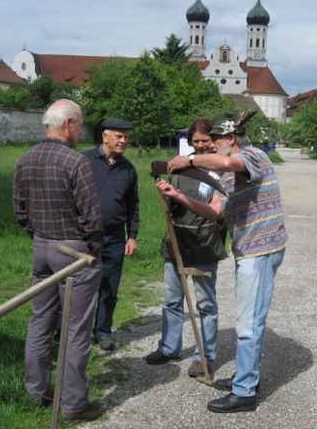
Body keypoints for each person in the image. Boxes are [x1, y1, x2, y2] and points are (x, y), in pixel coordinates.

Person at [166, 111, 288, 413]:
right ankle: (247, 377)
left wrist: (190, 161)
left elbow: (223, 162)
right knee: (251, 320)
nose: (207, 148)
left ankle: (245, 391)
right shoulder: (232, 174)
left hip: (259, 252)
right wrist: (179, 196)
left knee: (248, 323)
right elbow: (215, 211)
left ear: (230, 139)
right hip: (250, 251)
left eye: (214, 142)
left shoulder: (252, 156)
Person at [13, 99, 104, 421]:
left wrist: (40, 237)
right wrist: (93, 251)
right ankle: (74, 403)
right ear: (68, 124)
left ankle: (37, 391)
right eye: (80, 126)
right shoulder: (75, 162)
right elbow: (92, 217)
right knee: (76, 328)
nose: (81, 132)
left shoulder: (25, 160)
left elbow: (19, 211)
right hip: (75, 254)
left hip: (42, 248)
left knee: (40, 320)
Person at [145, 119, 227, 380]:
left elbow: (217, 211)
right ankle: (169, 348)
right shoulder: (180, 165)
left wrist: (179, 197)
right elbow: (174, 204)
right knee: (171, 300)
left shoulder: (223, 170)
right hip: (176, 238)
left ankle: (205, 357)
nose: (201, 145)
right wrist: (165, 192)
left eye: (206, 140)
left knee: (205, 305)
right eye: (196, 141)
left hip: (204, 242)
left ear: (214, 140)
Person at [82, 117, 139, 351]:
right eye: (119, 136)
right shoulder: (83, 161)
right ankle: (74, 332)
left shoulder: (128, 169)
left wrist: (132, 235)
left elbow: (133, 206)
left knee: (109, 287)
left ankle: (103, 331)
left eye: (126, 136)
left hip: (115, 238)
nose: (124, 141)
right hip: (84, 236)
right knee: (81, 286)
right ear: (105, 136)